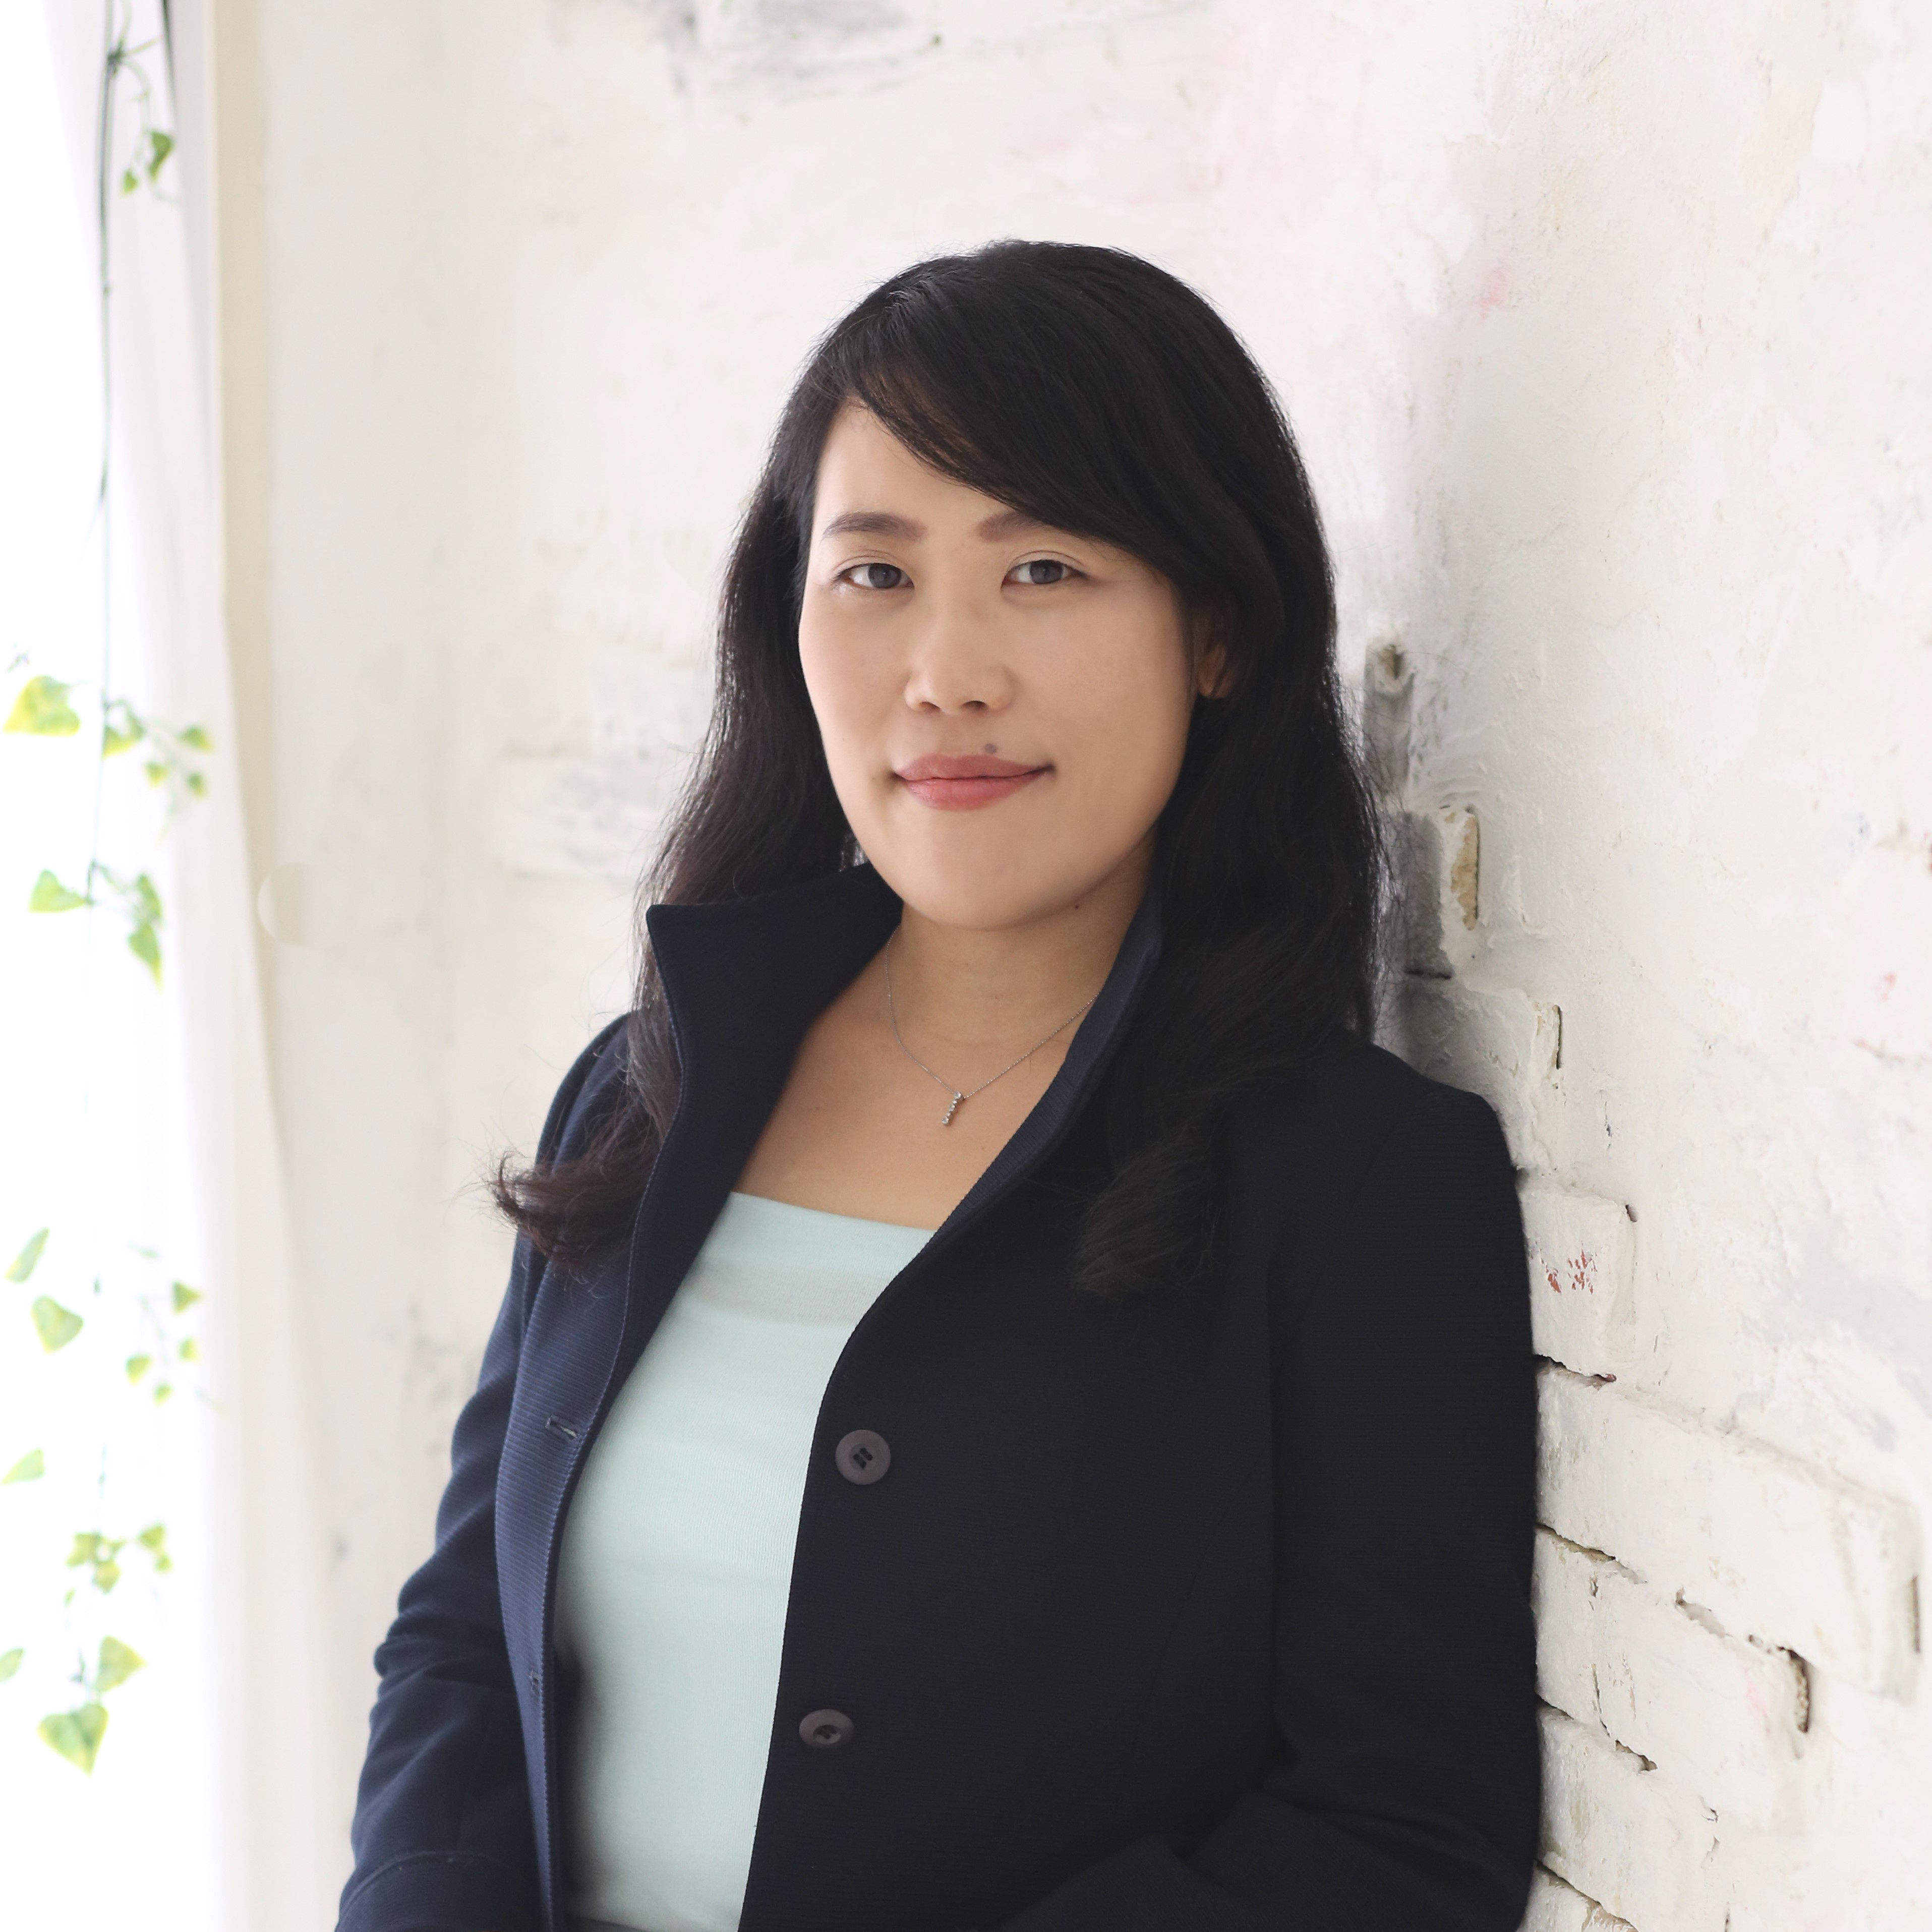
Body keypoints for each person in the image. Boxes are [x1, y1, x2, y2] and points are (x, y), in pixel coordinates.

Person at [336, 241, 1537, 1932]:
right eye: (875, 574)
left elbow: (1401, 1826)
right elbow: (467, 1640)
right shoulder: (647, 1089)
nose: (946, 673)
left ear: (1217, 628)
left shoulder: (1357, 1186)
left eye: (1043, 568)